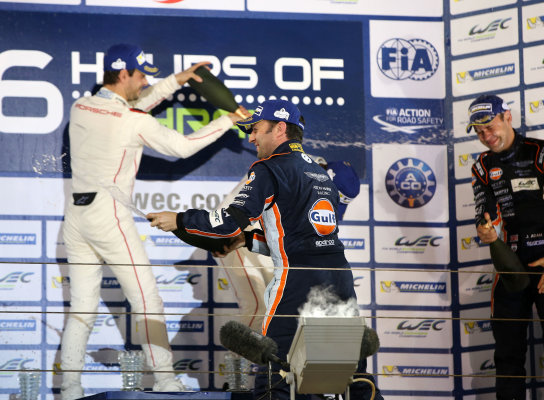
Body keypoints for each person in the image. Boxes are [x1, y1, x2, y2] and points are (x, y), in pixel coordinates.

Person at [148, 99, 381, 399]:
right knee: (348, 380)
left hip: (298, 285)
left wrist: (179, 219)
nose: (251, 137)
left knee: (277, 379)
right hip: (339, 281)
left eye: (256, 129)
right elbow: (300, 239)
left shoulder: (270, 168)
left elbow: (228, 223)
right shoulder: (320, 172)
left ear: (280, 128)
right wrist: (246, 241)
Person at [61, 43, 248, 399]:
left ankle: (69, 390)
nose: (146, 80)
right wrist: (227, 120)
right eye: (141, 73)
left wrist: (177, 81)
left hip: (76, 218)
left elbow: (133, 105)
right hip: (108, 217)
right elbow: (180, 148)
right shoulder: (132, 120)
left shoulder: (82, 107)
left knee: (82, 309)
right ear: (123, 74)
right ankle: (165, 381)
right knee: (148, 301)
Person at [469, 94, 544, 400]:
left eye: (490, 127)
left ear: (507, 117)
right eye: (479, 133)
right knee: (507, 358)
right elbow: (485, 211)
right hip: (510, 267)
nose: (486, 137)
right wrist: (486, 229)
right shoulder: (482, 165)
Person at [215, 155, 361, 333]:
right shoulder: (286, 169)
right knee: (257, 307)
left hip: (257, 240)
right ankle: (237, 361)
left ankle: (269, 358)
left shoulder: (311, 183)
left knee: (281, 308)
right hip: (231, 232)